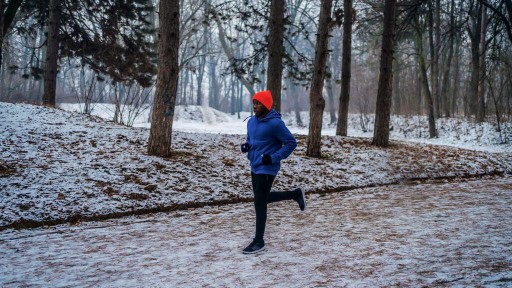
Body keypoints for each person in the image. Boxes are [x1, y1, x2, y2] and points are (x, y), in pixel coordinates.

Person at [240, 90, 306, 254]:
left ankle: (259, 241)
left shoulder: (276, 124)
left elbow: (291, 143)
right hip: (255, 164)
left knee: (259, 202)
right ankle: (295, 194)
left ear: (266, 105)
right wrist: (247, 146)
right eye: (254, 103)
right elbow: (251, 140)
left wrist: (274, 158)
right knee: (261, 198)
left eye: (258, 103)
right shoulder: (252, 122)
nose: (255, 106)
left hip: (268, 167)